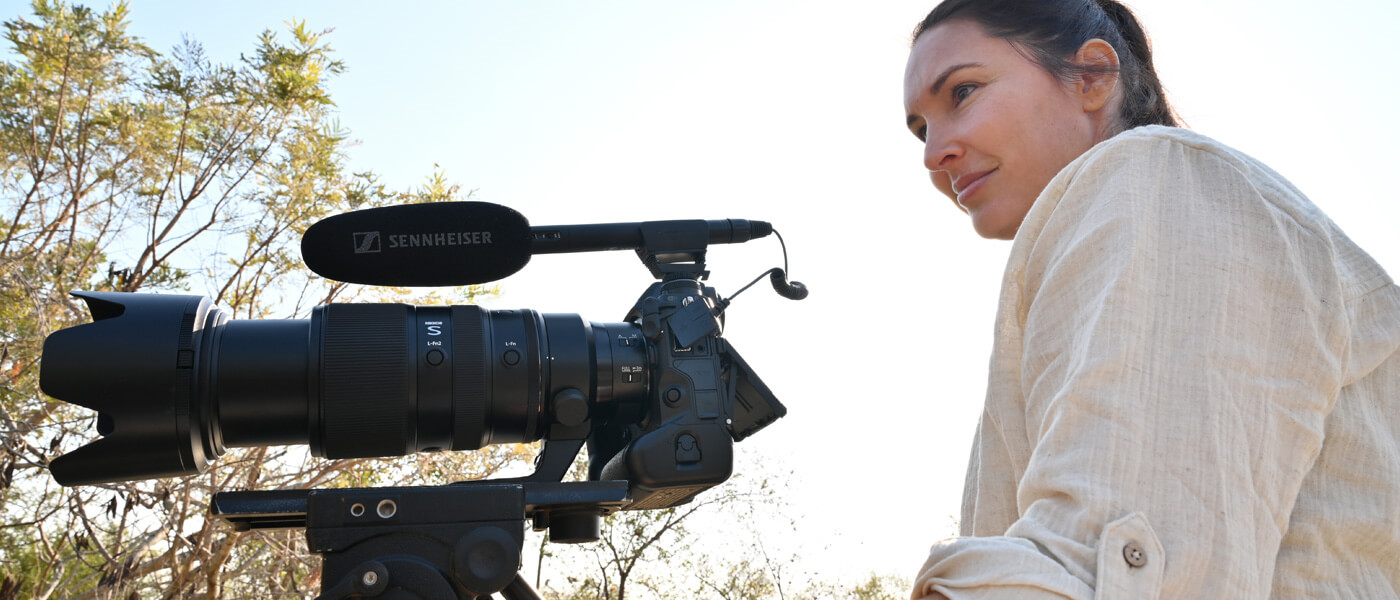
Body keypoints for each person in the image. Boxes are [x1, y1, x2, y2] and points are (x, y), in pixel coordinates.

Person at [901, 0, 1400, 598]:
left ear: (1092, 76)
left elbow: (1115, 570)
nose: (934, 154)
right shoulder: (1137, 220)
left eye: (961, 93)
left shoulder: (1154, 178)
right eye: (922, 129)